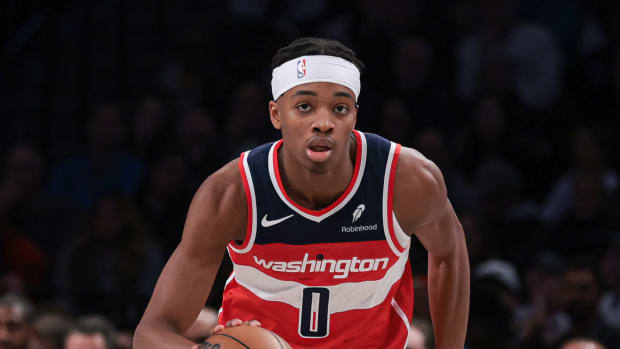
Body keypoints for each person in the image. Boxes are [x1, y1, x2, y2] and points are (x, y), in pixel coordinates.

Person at [134, 37, 470, 349]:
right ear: (276, 114)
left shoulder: (406, 180)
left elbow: (449, 253)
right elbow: (152, 331)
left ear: (355, 115)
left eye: (339, 108)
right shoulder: (232, 193)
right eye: (305, 106)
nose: (324, 122)